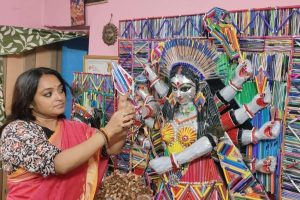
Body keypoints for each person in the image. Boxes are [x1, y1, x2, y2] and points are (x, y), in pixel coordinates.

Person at [134, 39, 281, 199]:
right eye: (174, 88)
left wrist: (172, 161)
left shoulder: (205, 110)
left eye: (185, 88)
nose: (178, 94)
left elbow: (210, 140)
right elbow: (161, 104)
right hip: (169, 183)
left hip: (201, 185)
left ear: (197, 86)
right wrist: (152, 81)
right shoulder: (171, 107)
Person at [0, 67, 135, 200]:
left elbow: (111, 147)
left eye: (61, 90)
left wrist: (123, 121)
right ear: (29, 102)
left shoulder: (75, 128)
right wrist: (107, 131)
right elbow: (58, 164)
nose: (59, 97)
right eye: (48, 94)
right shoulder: (15, 132)